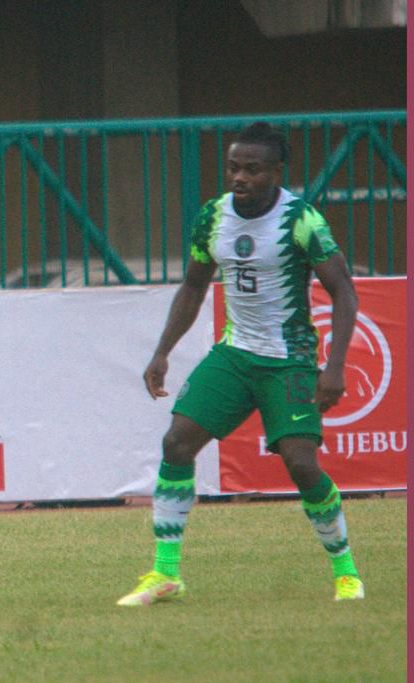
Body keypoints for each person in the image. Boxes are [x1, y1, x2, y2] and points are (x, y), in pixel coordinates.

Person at [117, 122, 363, 606]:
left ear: (275, 172)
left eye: (252, 169)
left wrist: (333, 369)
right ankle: (165, 573)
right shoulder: (212, 216)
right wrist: (163, 350)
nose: (240, 177)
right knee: (176, 441)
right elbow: (193, 285)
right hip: (234, 354)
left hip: (288, 361)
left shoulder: (301, 219)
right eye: (233, 167)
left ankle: (346, 572)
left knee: (301, 464)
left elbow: (345, 292)